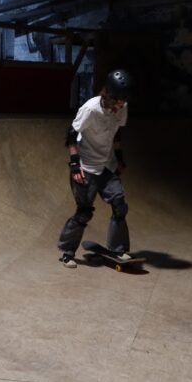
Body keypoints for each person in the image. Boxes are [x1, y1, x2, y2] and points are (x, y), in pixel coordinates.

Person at [56, 69, 133, 268]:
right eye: (117, 102)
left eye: (123, 102)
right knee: (84, 213)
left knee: (119, 205)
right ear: (108, 95)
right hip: (85, 167)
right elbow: (71, 135)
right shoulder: (90, 108)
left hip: (107, 166)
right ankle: (67, 252)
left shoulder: (123, 107)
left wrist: (120, 157)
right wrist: (74, 165)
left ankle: (118, 249)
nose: (120, 106)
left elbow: (116, 135)